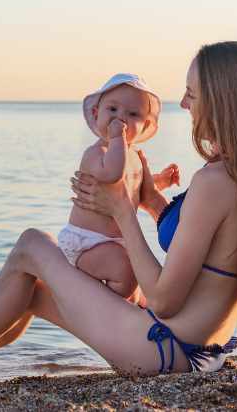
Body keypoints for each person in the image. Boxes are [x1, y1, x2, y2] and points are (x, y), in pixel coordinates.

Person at [0, 41, 237, 375]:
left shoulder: (214, 182)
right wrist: (151, 201)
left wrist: (122, 209)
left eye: (192, 92)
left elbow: (163, 300)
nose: (184, 103)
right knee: (32, 290)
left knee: (32, 244)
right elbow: (203, 244)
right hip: (201, 353)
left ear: (221, 101)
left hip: (163, 349)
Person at [58, 73, 178, 302]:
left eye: (132, 114)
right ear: (96, 114)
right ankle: (100, 308)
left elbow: (139, 192)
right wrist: (116, 139)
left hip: (115, 243)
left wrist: (161, 180)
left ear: (146, 126)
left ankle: (127, 307)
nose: (120, 118)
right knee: (127, 273)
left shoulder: (134, 156)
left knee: (143, 292)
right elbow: (113, 175)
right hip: (86, 242)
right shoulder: (97, 153)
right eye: (112, 110)